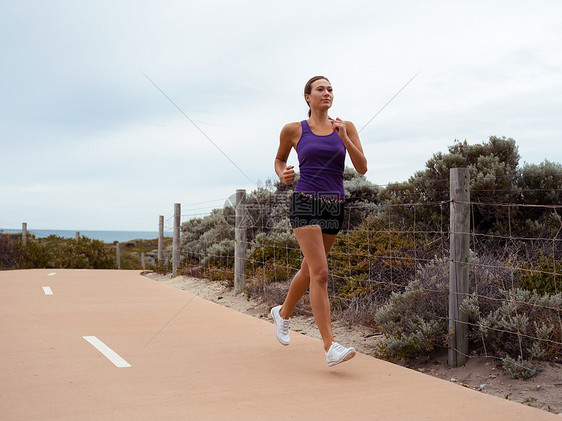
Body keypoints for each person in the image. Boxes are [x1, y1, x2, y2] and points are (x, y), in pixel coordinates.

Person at [271, 75, 368, 367]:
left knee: (309, 269)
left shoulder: (345, 126)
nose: (326, 93)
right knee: (321, 273)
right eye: (320, 89)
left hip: (334, 206)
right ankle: (329, 346)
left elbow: (362, 168)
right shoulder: (293, 130)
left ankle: (283, 313)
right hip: (305, 203)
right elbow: (279, 160)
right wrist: (282, 174)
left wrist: (345, 138)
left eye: (330, 89)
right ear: (307, 97)